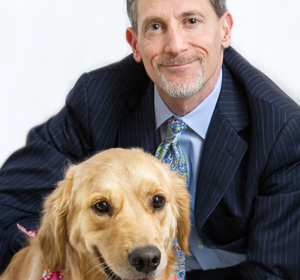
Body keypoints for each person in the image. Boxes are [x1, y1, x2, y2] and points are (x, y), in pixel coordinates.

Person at [1, 0, 300, 279]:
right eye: (155, 27)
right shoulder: (98, 99)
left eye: (191, 21)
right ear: (135, 43)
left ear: (225, 30)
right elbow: (9, 198)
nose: (175, 46)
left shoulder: (280, 129)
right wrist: (46, 255)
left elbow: (272, 272)